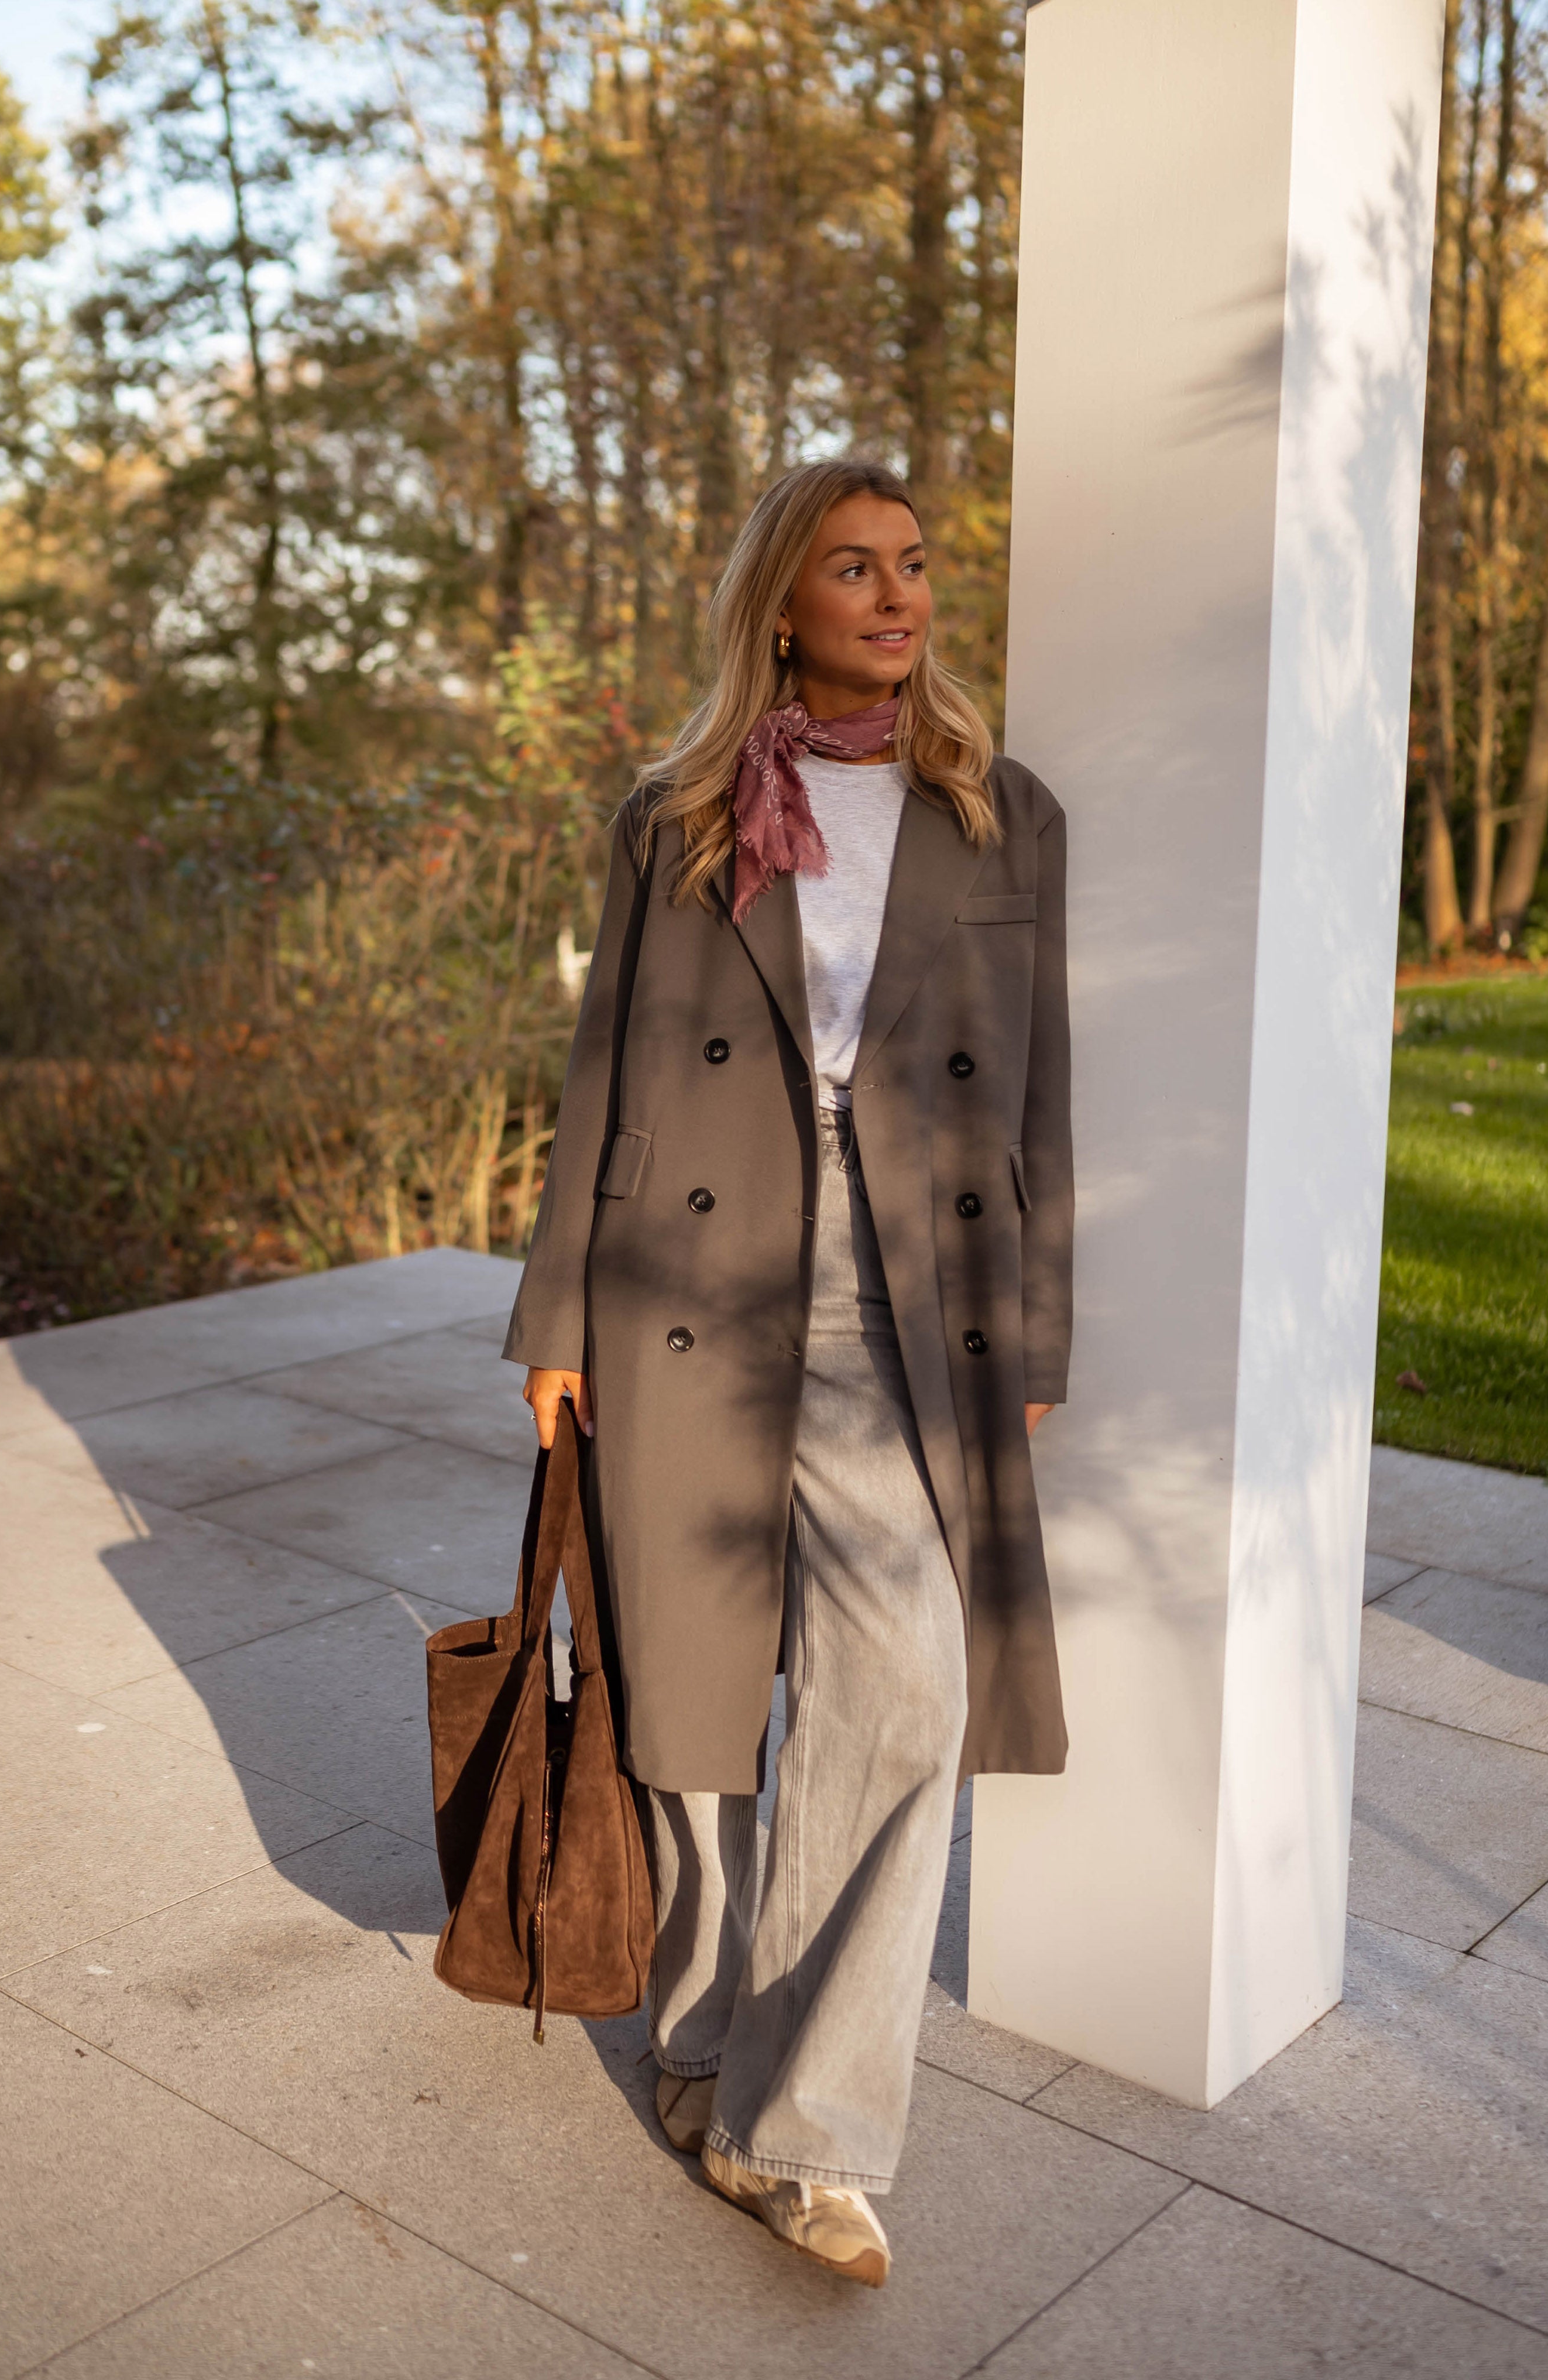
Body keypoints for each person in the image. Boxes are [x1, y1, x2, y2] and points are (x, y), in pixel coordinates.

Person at [504, 455, 1072, 2288]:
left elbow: (1044, 1091)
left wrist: (1036, 1328)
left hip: (902, 1293)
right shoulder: (678, 812)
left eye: (913, 566)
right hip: (689, 1274)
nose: (901, 598)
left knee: (901, 1682)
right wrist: (557, 1319)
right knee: (686, 1697)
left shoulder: (1001, 813)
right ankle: (695, 2040)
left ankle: (799, 2122)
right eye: (856, 569)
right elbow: (604, 1073)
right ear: (783, 604)